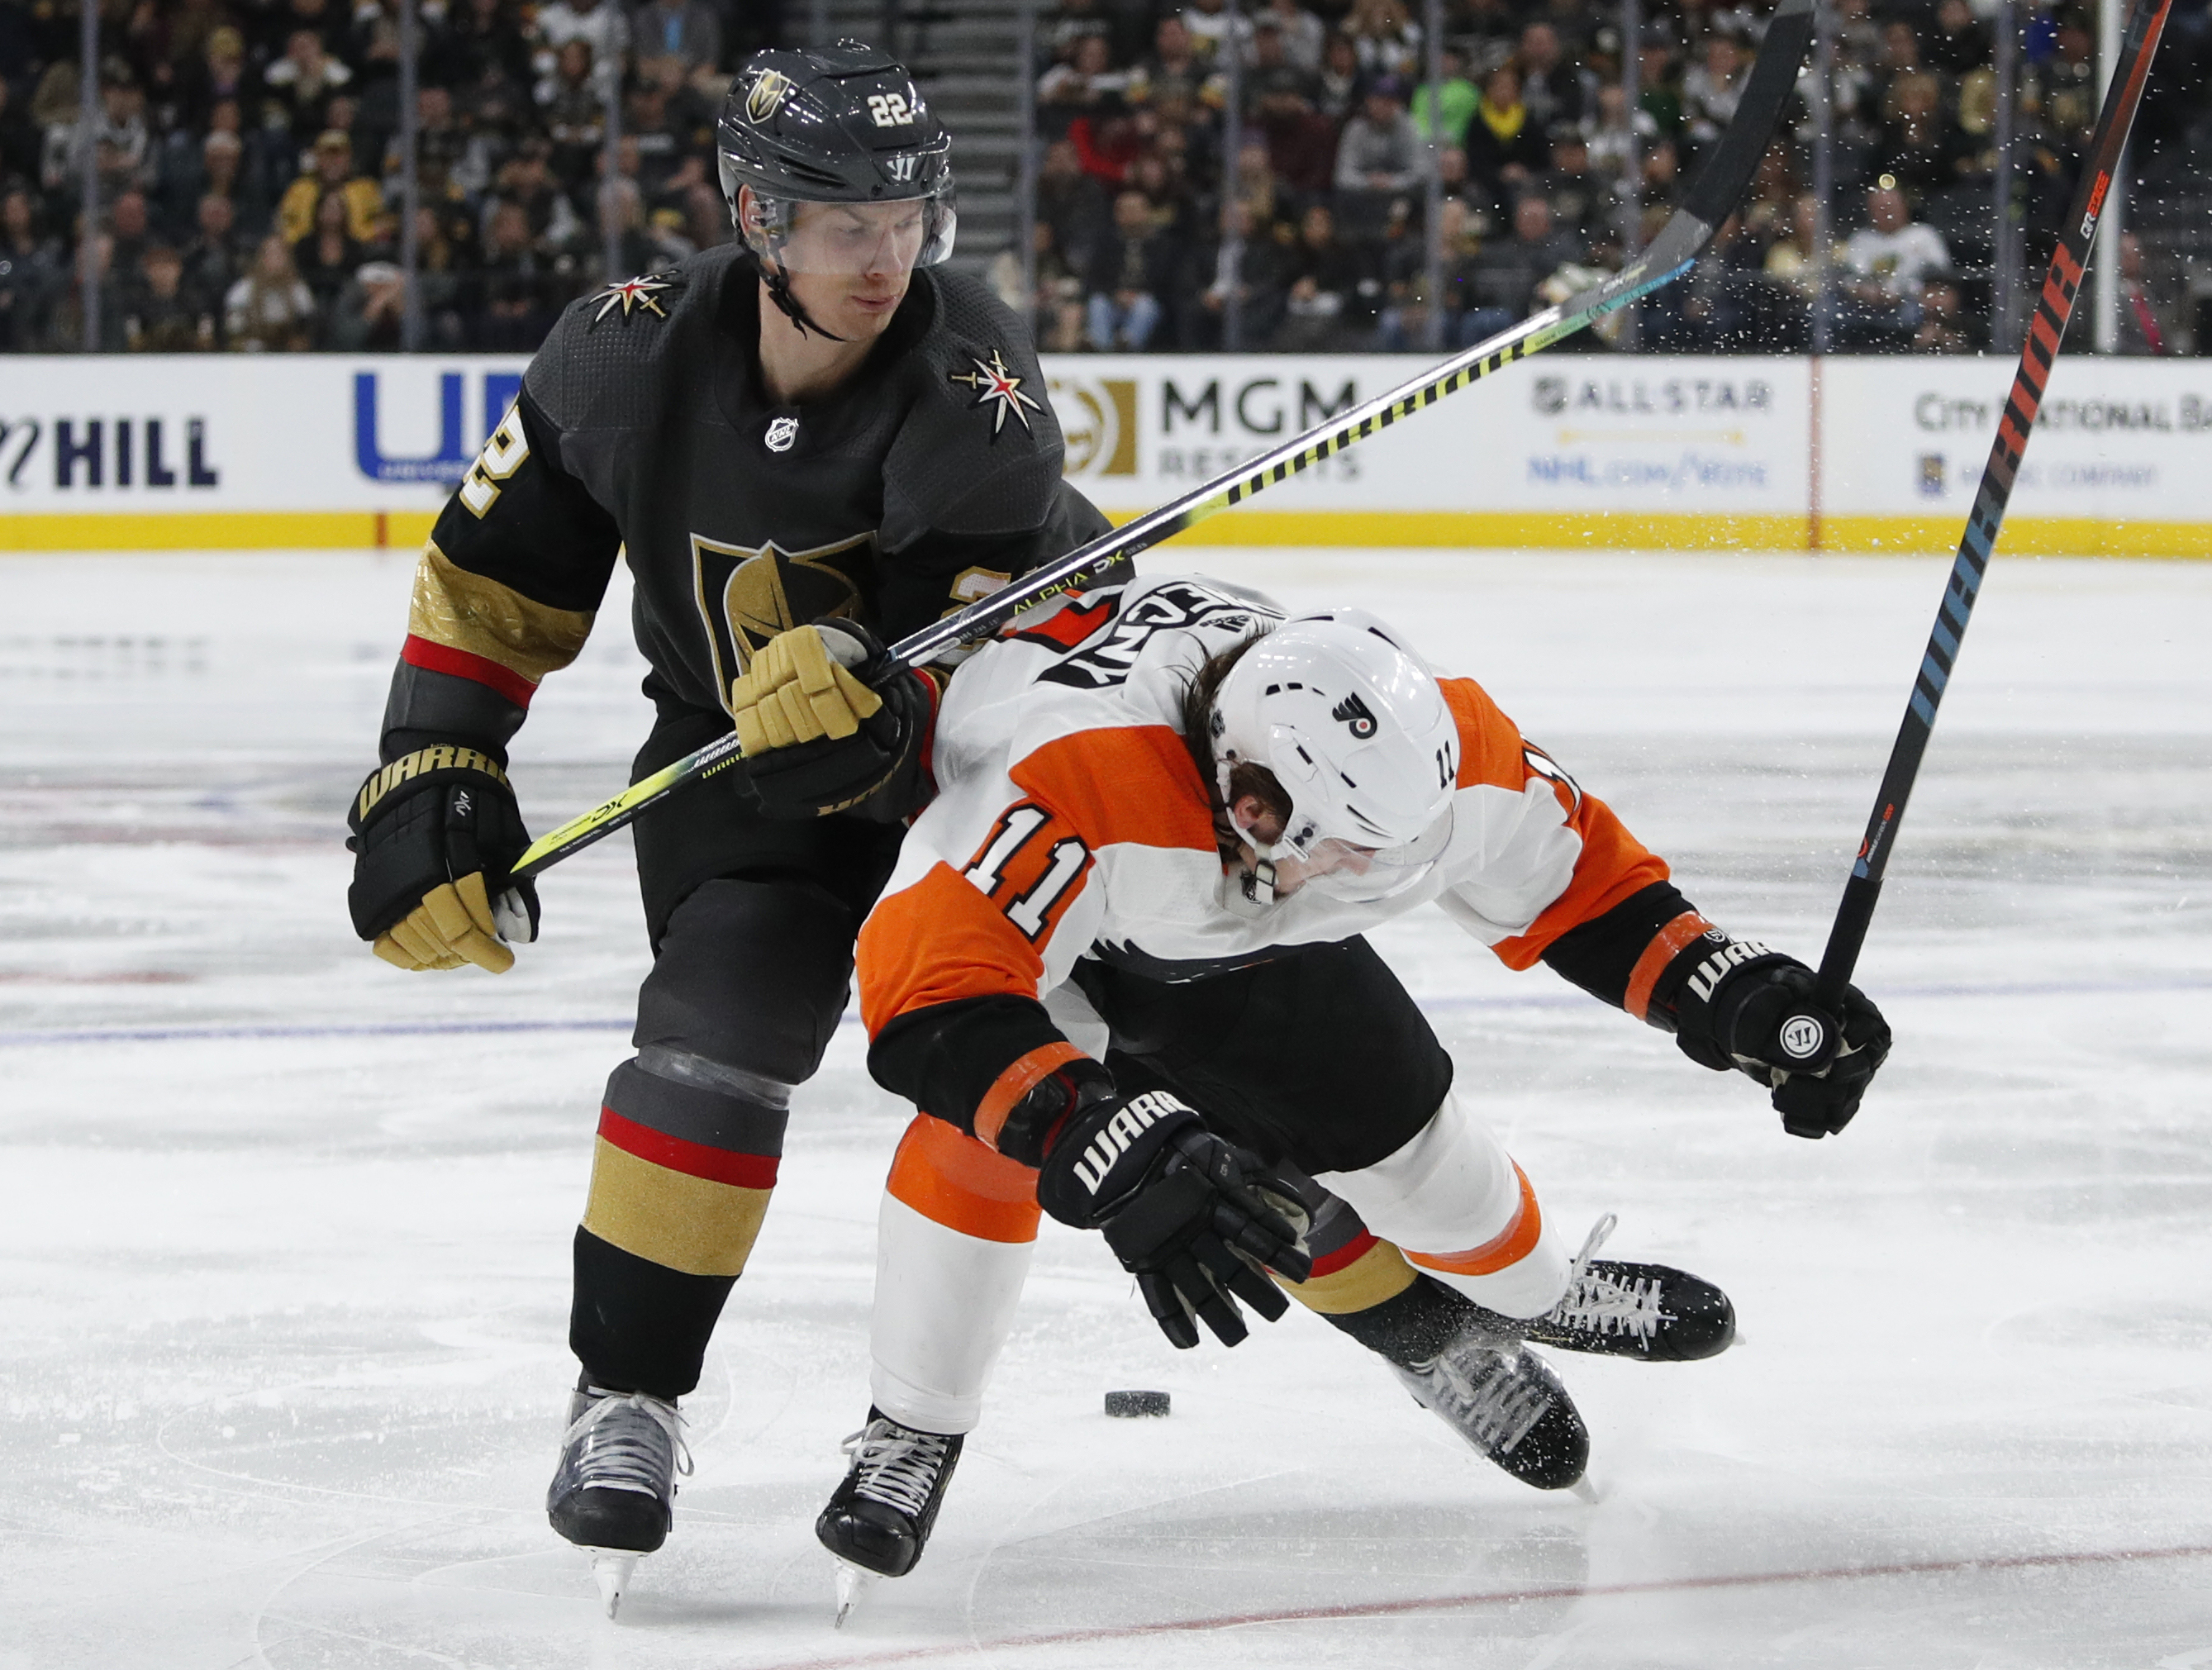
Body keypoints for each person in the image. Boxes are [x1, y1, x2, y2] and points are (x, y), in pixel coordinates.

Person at [340, 43, 1111, 1617]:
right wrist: (435, 760)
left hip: (992, 757)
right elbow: (499, 585)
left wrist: (891, 697)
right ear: (756, 214)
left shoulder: (979, 381)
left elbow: (994, 668)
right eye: (844, 221)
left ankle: (1438, 1311)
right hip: (737, 761)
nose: (887, 253)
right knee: (713, 1035)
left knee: (1139, 1038)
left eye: (907, 213)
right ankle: (625, 1396)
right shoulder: (621, 358)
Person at [811, 574, 1891, 1586]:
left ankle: (1534, 1294)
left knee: (1424, 1165)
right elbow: (930, 990)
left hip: (1214, 933)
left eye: (1377, 855)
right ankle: (914, 1426)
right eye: (1328, 852)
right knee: (982, 1140)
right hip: (1068, 932)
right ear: (1245, 790)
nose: (1350, 879)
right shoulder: (1071, 772)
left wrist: (1740, 997)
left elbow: (1586, 890)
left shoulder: (1441, 746)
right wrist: (1090, 1131)